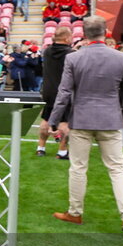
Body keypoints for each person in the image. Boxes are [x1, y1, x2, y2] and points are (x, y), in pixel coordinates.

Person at [49, 16, 123, 240]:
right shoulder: (121, 58)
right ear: (106, 31)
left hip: (82, 120)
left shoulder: (74, 58)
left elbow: (64, 93)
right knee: (118, 169)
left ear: (83, 32)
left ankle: (75, 212)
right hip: (110, 120)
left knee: (78, 167)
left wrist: (54, 119)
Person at [37, 27, 74, 158]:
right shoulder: (71, 53)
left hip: (48, 90)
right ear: (67, 38)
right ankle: (62, 151)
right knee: (65, 122)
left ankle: (40, 147)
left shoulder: (47, 51)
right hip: (63, 92)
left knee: (46, 119)